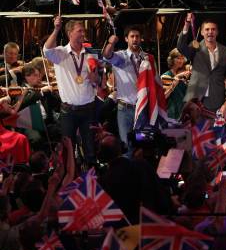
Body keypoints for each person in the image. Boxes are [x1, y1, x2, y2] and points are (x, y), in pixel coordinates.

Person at [43, 17, 98, 166]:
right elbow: (46, 50)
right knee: (68, 150)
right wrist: (56, 29)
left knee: (90, 148)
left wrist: (95, 77)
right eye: (79, 30)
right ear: (70, 33)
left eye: (83, 31)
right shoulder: (60, 53)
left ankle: (91, 180)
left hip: (88, 109)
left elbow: (96, 82)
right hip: (69, 111)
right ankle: (70, 179)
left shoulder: (90, 54)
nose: (83, 33)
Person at [103, 25, 151, 151]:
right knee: (127, 147)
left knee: (142, 146)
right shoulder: (121, 57)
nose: (135, 39)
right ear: (126, 39)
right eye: (132, 36)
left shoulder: (146, 58)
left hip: (142, 110)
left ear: (141, 39)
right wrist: (111, 42)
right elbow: (107, 55)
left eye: (137, 36)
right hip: (125, 110)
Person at [179, 15, 226, 117]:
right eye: (207, 29)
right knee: (194, 132)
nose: (210, 32)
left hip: (217, 100)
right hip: (194, 99)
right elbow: (181, 47)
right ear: (202, 32)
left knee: (214, 132)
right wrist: (187, 24)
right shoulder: (195, 48)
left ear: (217, 32)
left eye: (213, 29)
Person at [161, 48, 191, 121]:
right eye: (178, 58)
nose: (181, 61)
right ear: (172, 60)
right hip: (171, 115)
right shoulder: (166, 76)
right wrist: (175, 80)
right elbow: (162, 97)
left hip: (183, 116)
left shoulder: (184, 76)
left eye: (182, 58)